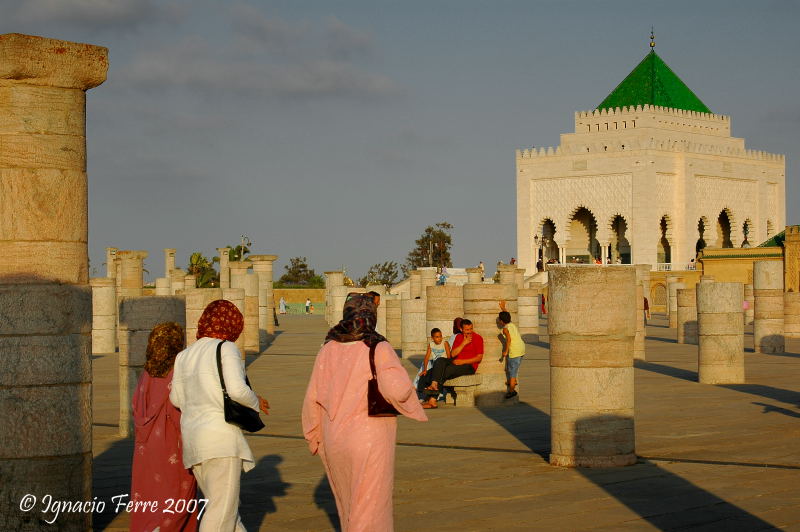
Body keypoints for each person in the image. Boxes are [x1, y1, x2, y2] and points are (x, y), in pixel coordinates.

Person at [302, 293, 426, 531]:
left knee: (347, 505)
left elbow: (312, 398)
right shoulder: (378, 346)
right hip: (369, 438)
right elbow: (396, 389)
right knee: (370, 507)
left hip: (333, 438)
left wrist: (313, 435)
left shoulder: (328, 348)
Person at [170, 300, 270, 531]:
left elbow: (176, 399)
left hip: (194, 442)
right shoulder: (225, 348)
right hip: (220, 440)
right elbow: (236, 390)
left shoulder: (184, 355)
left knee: (228, 513)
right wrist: (256, 402)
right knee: (220, 514)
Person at [131, 322, 198, 532]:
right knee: (179, 491)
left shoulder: (146, 374)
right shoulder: (177, 373)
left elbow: (137, 406)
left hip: (147, 448)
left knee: (150, 493)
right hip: (173, 446)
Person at [418, 319, 483, 409]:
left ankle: (432, 400)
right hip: (455, 362)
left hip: (469, 366)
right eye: (467, 330)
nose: (469, 332)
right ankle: (433, 384)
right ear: (461, 329)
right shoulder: (459, 337)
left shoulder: (478, 338)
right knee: (438, 362)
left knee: (444, 371)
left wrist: (462, 361)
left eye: (471, 329)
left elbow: (479, 358)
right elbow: (453, 354)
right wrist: (463, 343)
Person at [498, 311, 525, 399]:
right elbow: (507, 315)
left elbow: (509, 340)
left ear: (501, 321)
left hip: (514, 351)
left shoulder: (505, 329)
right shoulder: (512, 324)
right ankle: (513, 381)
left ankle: (511, 391)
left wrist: (505, 351)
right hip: (521, 349)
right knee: (513, 368)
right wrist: (503, 308)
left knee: (512, 372)